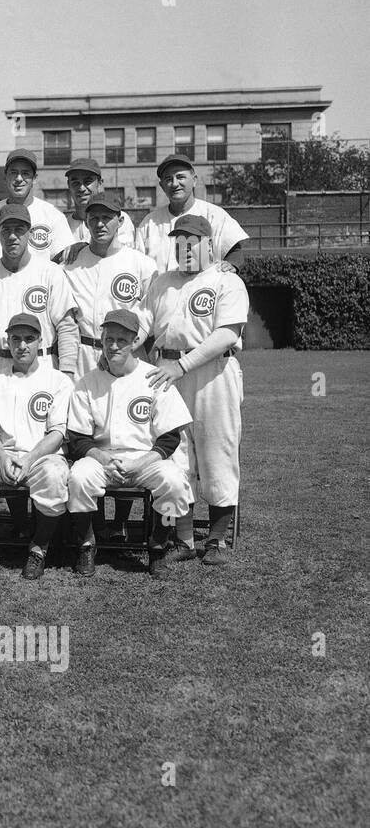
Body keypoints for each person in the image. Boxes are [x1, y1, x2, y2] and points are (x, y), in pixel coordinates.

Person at [142, 215, 249, 565]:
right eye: (179, 241)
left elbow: (227, 335)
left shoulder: (224, 281)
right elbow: (143, 327)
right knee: (176, 455)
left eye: (193, 241)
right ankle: (184, 540)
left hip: (213, 372)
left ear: (208, 245)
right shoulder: (161, 282)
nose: (185, 247)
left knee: (217, 448)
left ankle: (216, 540)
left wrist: (182, 365)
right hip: (167, 374)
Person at [65, 308, 193, 578]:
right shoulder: (87, 383)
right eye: (108, 339)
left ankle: (159, 544)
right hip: (101, 458)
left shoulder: (154, 378)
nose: (113, 346)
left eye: (121, 340)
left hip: (144, 458)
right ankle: (87, 544)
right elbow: (77, 439)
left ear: (135, 341)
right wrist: (102, 458)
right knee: (78, 477)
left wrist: (139, 463)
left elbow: (170, 437)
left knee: (174, 482)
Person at [0, 313, 73, 580]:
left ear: (40, 342)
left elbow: (58, 433)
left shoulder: (58, 381)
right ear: (7, 342)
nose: (22, 345)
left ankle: (39, 546)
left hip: (42, 455)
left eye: (29, 339)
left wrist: (30, 459)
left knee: (55, 476)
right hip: (2, 453)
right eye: (16, 339)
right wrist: (1, 456)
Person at [0, 204, 80, 378]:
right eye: (6, 230)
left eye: (19, 230)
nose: (12, 236)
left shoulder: (51, 273)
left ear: (30, 232)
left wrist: (66, 372)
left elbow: (66, 327)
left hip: (42, 367)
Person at [62, 190, 158, 377]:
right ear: (86, 222)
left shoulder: (142, 264)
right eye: (94, 218)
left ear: (120, 222)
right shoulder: (70, 265)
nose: (99, 224)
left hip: (126, 355)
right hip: (83, 357)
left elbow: (151, 314)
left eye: (106, 217)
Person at [134, 154, 249, 272]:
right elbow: (137, 263)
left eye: (180, 177)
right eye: (168, 179)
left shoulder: (214, 215)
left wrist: (232, 265)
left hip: (202, 288)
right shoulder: (149, 222)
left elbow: (235, 251)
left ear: (194, 180)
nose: (174, 183)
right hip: (160, 289)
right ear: (162, 186)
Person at [0, 149, 73, 268]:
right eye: (13, 172)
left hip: (40, 285)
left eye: (25, 173)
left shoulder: (53, 215)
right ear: (5, 177)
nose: (19, 179)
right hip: (0, 284)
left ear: (34, 178)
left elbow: (62, 261)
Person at [60, 158, 135, 256]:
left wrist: (83, 247)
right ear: (68, 185)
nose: (81, 188)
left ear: (99, 183)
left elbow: (121, 253)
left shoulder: (116, 218)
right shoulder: (63, 225)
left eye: (87, 182)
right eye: (75, 183)